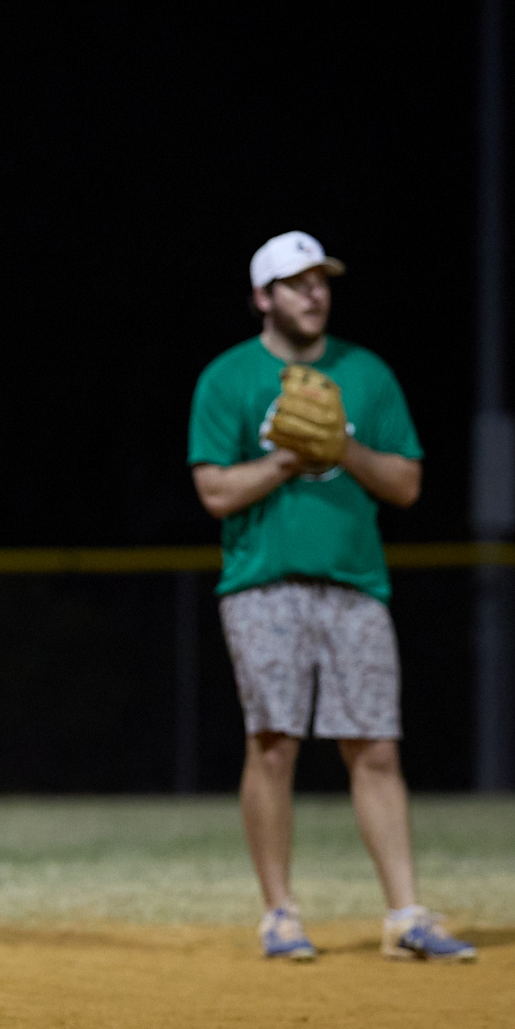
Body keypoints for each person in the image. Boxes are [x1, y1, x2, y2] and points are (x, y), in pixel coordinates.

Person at [186, 230, 475, 964]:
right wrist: (288, 458)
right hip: (262, 584)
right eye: (296, 282)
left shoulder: (365, 375)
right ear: (263, 297)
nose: (314, 293)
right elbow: (215, 491)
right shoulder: (227, 377)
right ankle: (280, 915)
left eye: (321, 280)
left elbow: (406, 484)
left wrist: (342, 447)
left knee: (375, 745)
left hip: (355, 583)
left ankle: (405, 914)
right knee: (273, 743)